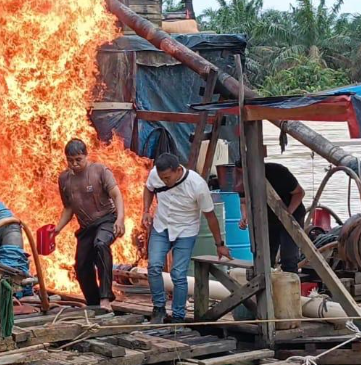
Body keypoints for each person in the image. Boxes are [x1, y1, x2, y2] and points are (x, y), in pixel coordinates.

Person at [142, 153, 231, 324]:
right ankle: (159, 308)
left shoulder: (197, 185)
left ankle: (178, 315)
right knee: (153, 266)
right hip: (161, 226)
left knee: (178, 274)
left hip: (185, 230)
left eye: (167, 177)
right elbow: (149, 188)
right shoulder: (156, 174)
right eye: (162, 178)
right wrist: (146, 210)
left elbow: (210, 216)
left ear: (177, 170)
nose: (165, 181)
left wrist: (219, 244)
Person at [55, 138, 125, 311]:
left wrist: (120, 219)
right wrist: (56, 230)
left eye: (78, 159)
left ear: (86, 155)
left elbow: (116, 195)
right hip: (86, 227)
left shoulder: (100, 171)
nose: (74, 164)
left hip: (107, 219)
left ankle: (105, 298)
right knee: (81, 265)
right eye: (70, 160)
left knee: (101, 245)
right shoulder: (64, 179)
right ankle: (93, 302)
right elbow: (69, 208)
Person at [235, 160, 305, 274]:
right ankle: (266, 284)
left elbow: (299, 193)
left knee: (289, 256)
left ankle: (291, 283)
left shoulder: (279, 172)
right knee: (266, 255)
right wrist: (244, 216)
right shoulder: (243, 180)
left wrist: (287, 214)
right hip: (267, 218)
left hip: (292, 215)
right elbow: (243, 201)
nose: (243, 176)